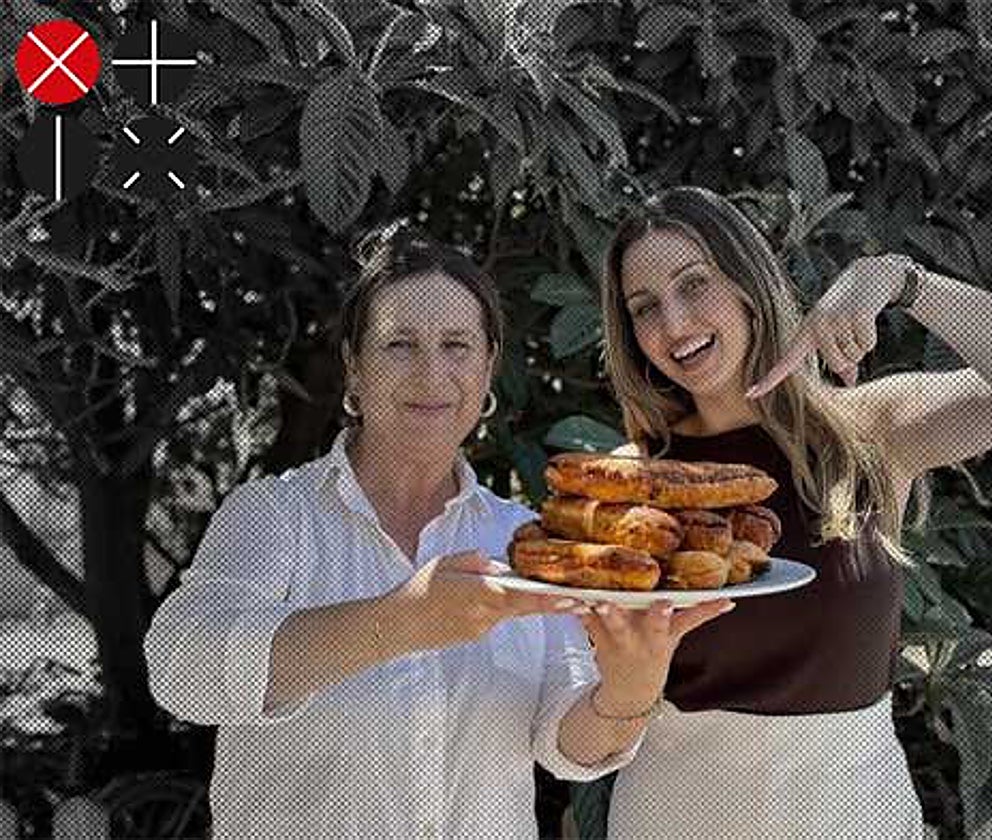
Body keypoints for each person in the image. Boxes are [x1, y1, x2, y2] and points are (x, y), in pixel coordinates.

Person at [143, 228, 732, 839]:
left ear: (487, 372)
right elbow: (181, 673)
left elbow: (567, 743)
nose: (432, 373)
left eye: (457, 345)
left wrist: (629, 690)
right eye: (400, 344)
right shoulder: (273, 515)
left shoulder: (523, 539)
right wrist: (402, 620)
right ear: (354, 368)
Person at [592, 186, 992, 839]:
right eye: (644, 308)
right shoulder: (629, 481)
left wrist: (898, 281)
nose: (675, 325)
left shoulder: (866, 434)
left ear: (748, 282)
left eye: (695, 284)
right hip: (679, 814)